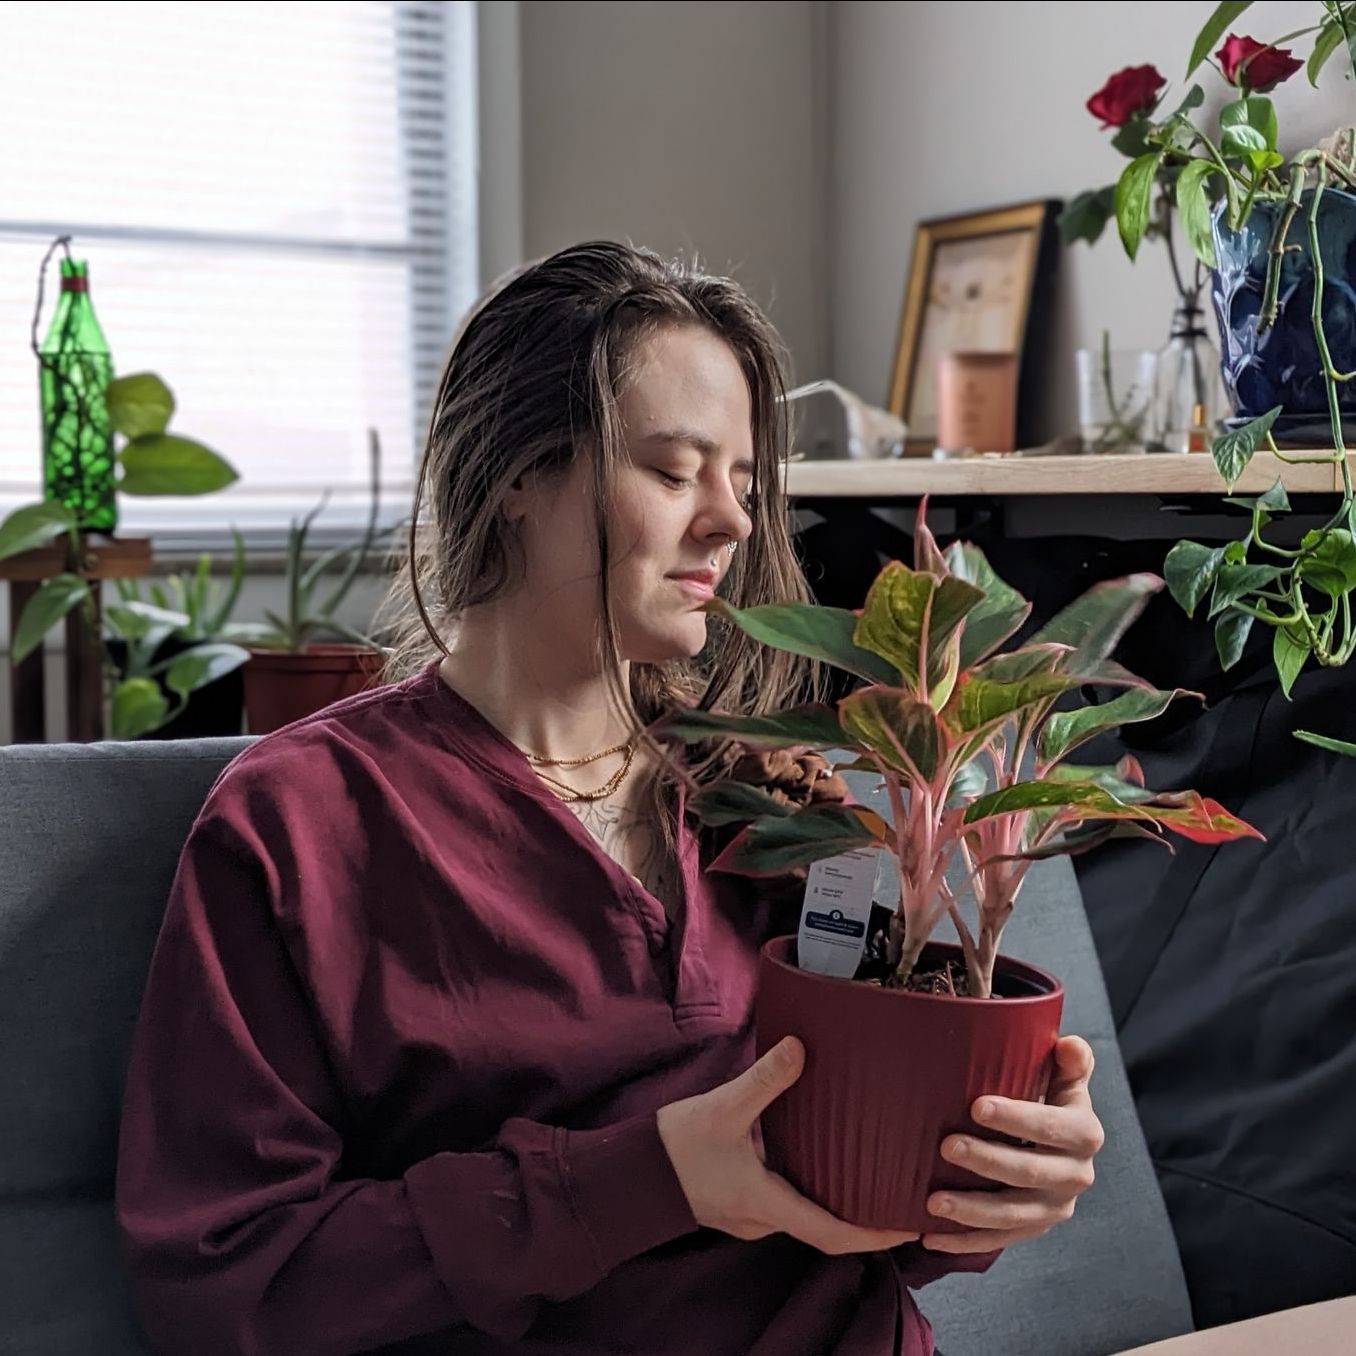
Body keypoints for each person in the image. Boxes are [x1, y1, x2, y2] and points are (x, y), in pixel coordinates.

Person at [115, 241, 1104, 1356]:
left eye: (741, 479)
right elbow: (228, 1283)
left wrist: (993, 1178)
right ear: (519, 476)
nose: (731, 523)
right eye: (676, 471)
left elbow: (873, 1201)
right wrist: (647, 1178)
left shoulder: (785, 797)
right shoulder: (298, 827)